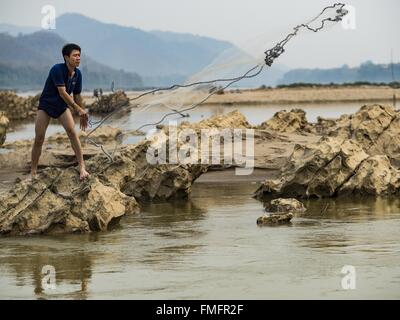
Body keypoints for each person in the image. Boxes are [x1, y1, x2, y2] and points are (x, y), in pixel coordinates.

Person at [31, 43, 90, 180]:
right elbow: (63, 92)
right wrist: (78, 109)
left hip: (62, 107)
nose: (78, 58)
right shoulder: (57, 69)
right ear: (66, 57)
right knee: (39, 138)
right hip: (46, 106)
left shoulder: (78, 74)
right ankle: (33, 172)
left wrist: (81, 112)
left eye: (79, 55)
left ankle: (82, 167)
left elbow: (76, 95)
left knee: (72, 132)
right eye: (75, 55)